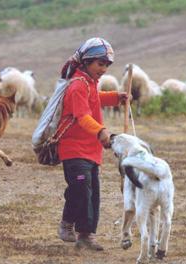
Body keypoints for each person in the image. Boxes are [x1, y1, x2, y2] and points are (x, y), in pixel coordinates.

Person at [57, 37, 129, 251]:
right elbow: (82, 116)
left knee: (92, 194)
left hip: (91, 151)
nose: (104, 69)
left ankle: (86, 236)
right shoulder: (77, 85)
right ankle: (66, 223)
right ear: (87, 62)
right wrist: (101, 130)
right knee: (80, 188)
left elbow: (95, 99)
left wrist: (117, 97)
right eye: (100, 64)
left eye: (106, 65)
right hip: (74, 150)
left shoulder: (88, 84)